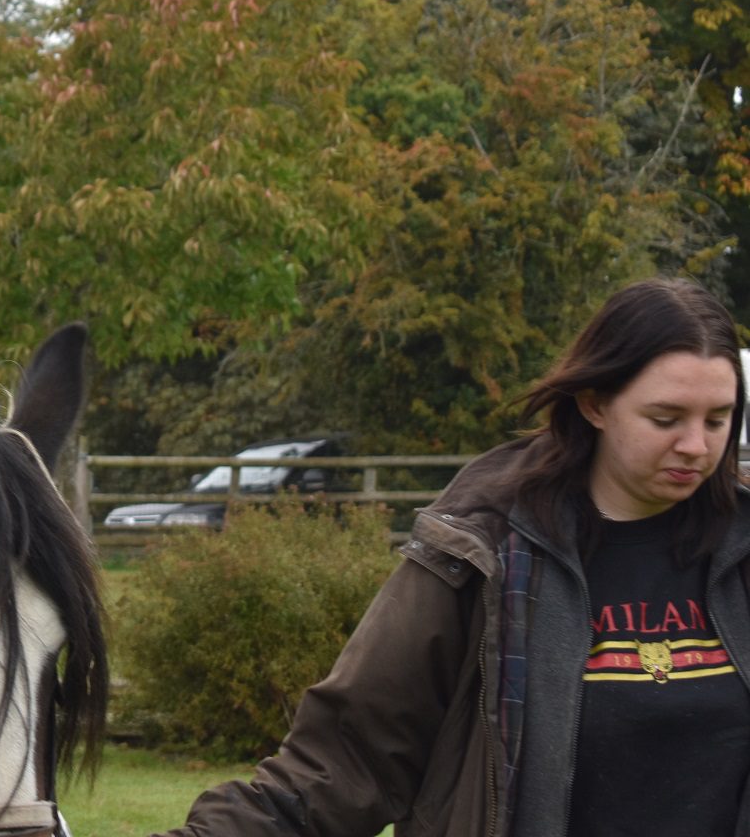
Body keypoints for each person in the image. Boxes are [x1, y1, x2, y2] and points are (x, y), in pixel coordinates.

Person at [156, 277, 750, 836]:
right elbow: (347, 758)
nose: (696, 446)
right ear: (594, 405)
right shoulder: (484, 551)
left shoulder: (740, 553)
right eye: (664, 419)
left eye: (717, 420)